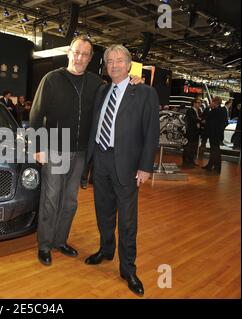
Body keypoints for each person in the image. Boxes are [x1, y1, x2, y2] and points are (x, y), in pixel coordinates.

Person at [84, 44, 159, 297]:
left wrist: (146, 167)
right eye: (110, 61)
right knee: (103, 213)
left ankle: (128, 269)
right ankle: (106, 251)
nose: (114, 65)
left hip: (127, 165)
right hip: (101, 160)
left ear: (129, 64)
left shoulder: (145, 93)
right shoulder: (102, 91)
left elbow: (151, 132)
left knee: (127, 221)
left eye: (119, 60)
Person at [30, 35, 102, 267]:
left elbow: (117, 94)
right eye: (77, 52)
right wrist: (37, 148)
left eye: (85, 54)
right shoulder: (52, 79)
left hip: (80, 153)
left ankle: (60, 240)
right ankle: (44, 244)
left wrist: (134, 81)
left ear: (90, 58)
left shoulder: (96, 83)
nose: (80, 58)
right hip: (54, 150)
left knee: (70, 201)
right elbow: (35, 115)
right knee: (51, 199)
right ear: (69, 53)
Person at [202, 96, 226, 174]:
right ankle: (210, 165)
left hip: (215, 134)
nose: (211, 103)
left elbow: (207, 117)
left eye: (212, 102)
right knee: (213, 150)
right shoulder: (218, 110)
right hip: (214, 134)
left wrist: (208, 108)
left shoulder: (219, 110)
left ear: (215, 102)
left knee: (215, 151)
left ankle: (217, 168)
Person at [182, 98, 201, 168]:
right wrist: (199, 120)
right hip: (190, 132)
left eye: (200, 103)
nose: (200, 104)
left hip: (196, 132)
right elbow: (192, 119)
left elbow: (199, 119)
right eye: (198, 102)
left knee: (194, 147)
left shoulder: (199, 111)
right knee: (189, 146)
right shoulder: (190, 110)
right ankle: (186, 161)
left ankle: (191, 161)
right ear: (194, 103)